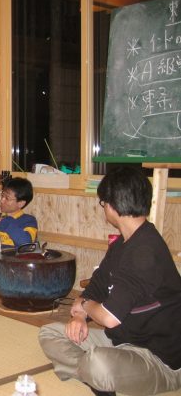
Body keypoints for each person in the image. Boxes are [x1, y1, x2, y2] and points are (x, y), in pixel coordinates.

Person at [38, 166, 181, 396]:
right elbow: (95, 286)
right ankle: (95, 375)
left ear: (113, 205)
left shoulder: (145, 251)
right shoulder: (122, 244)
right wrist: (79, 317)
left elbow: (108, 318)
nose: (103, 208)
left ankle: (95, 374)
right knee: (49, 334)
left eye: (103, 203)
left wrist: (85, 306)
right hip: (119, 341)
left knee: (98, 363)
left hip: (158, 360)